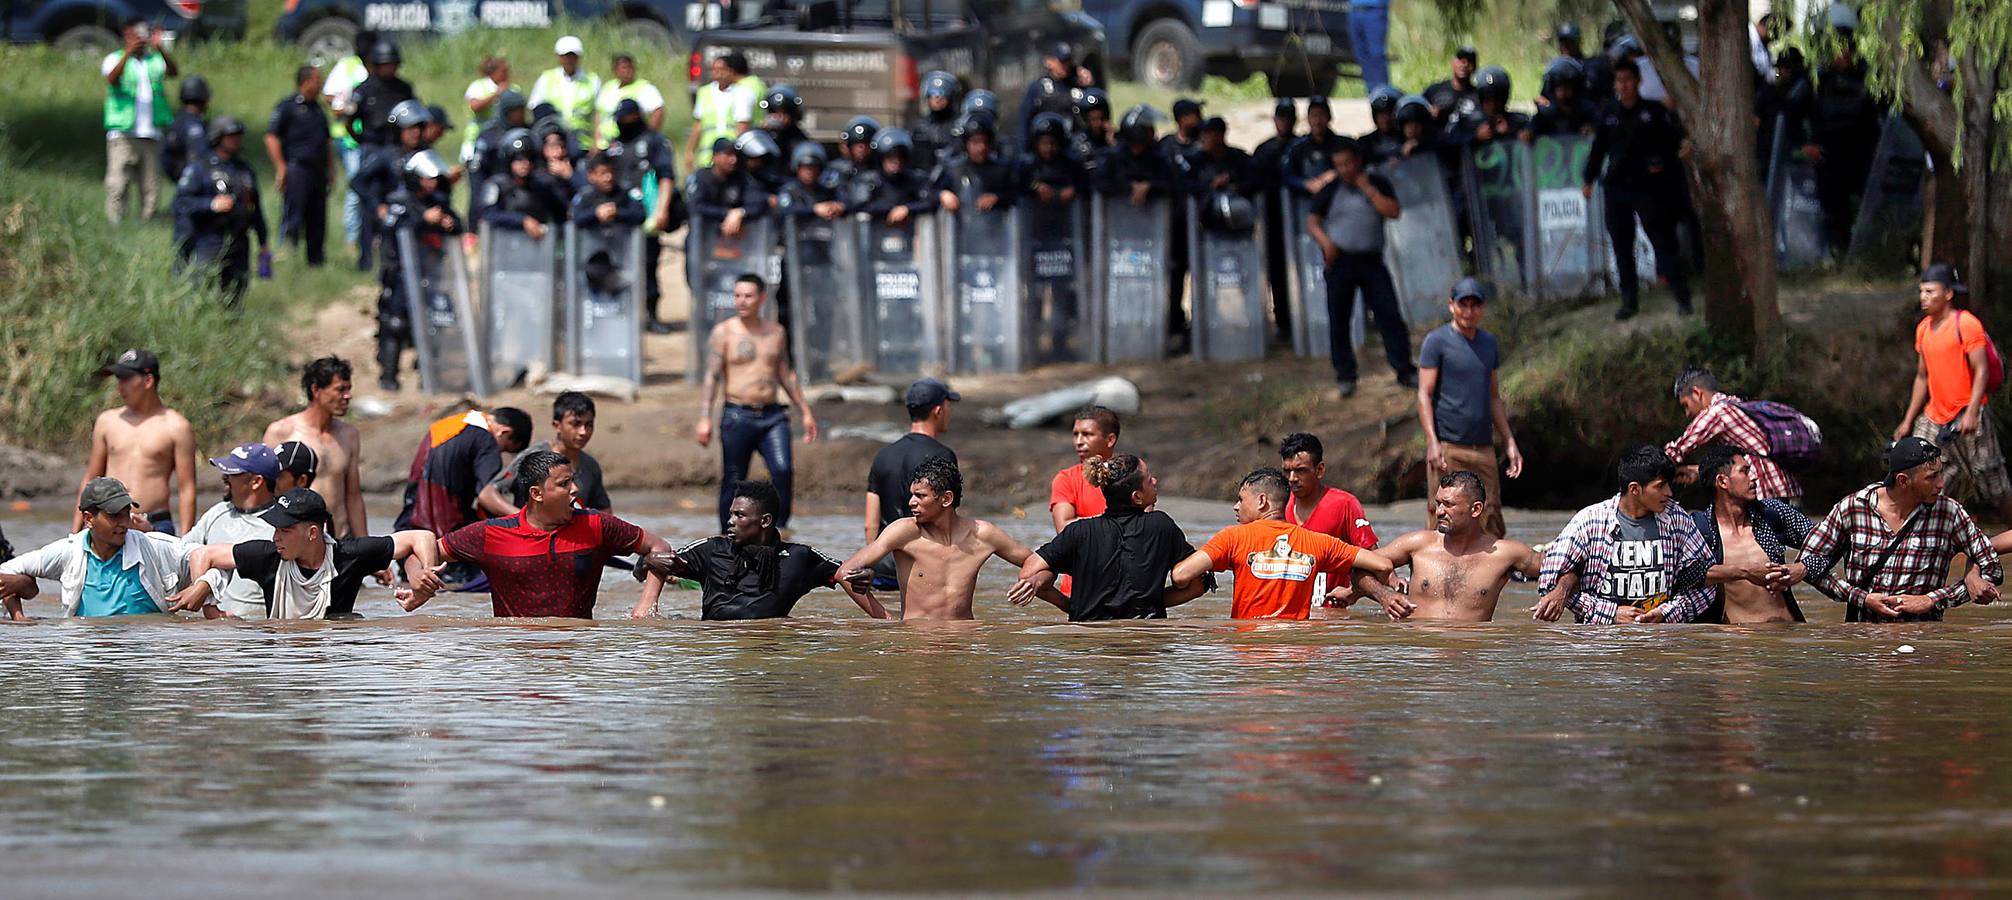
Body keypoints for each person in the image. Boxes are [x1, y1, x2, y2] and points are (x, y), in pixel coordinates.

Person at [435, 450, 671, 618]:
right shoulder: (491, 533)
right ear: (537, 494)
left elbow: (659, 547)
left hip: (577, 654)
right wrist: (417, 577)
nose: (575, 490)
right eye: (564, 484)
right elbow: (425, 551)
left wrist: (646, 606)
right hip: (515, 657)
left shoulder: (596, 525)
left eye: (573, 481)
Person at [1803, 437, 2003, 622]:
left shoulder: (1949, 513)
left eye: (1941, 473)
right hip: (1863, 642)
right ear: (1903, 481)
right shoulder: (1852, 508)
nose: (1941, 484)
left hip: (1923, 642)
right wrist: (1862, 598)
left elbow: (1991, 567)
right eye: (1932, 477)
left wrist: (1932, 600)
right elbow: (1807, 566)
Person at [634, 480, 886, 621]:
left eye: (739, 515)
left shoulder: (798, 558)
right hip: (716, 649)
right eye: (730, 514)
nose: (730, 521)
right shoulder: (711, 549)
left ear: (764, 521)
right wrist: (646, 562)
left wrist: (881, 612)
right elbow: (663, 562)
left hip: (769, 650)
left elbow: (844, 573)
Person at [836, 457, 1055, 620]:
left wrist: (1035, 582)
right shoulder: (904, 531)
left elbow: (1044, 564)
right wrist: (885, 618)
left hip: (963, 640)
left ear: (946, 499)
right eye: (911, 495)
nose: (911, 502)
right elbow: (844, 572)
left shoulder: (983, 534)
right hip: (917, 643)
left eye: (920, 496)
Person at [174, 489, 444, 620]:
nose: (276, 536)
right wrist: (208, 604)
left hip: (337, 660)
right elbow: (203, 554)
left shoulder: (348, 555)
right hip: (281, 659)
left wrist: (424, 582)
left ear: (313, 533)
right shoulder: (267, 556)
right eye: (275, 528)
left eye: (285, 530)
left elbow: (421, 537)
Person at [1169, 468, 1393, 620]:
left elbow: (1181, 575)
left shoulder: (1233, 538)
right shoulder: (1317, 542)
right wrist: (1353, 592)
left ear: (1262, 501)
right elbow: (1383, 565)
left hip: (1249, 653)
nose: (1236, 507)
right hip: (1298, 652)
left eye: (1240, 499)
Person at [1009, 454, 1208, 620]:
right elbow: (1196, 585)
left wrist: (1068, 605)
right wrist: (1152, 600)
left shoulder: (1079, 532)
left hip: (1088, 644)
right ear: (1137, 497)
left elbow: (1028, 573)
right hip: (1145, 644)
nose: (1155, 480)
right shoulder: (1161, 526)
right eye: (1149, 479)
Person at [1535, 444, 1714, 624]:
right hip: (1600, 642)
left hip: (1660, 639)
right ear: (1634, 489)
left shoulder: (1677, 519)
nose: (1669, 493)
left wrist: (1667, 613)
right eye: (1660, 486)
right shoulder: (1590, 521)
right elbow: (1549, 582)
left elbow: (1708, 584)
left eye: (1668, 484)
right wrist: (1610, 614)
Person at [694, 273, 817, 530]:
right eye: (737, 295)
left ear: (761, 298)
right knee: (734, 477)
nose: (742, 301)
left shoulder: (775, 332)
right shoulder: (724, 332)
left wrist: (805, 411)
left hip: (772, 415)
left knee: (783, 471)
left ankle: (779, 530)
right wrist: (704, 417)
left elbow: (785, 373)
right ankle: (727, 532)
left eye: (748, 296)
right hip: (737, 414)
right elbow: (712, 377)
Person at [1894, 264, 2012, 522]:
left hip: (1967, 413)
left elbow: (1981, 370)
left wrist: (1972, 412)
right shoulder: (1923, 329)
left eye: (1930, 291)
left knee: (1992, 481)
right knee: (1919, 469)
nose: (1923, 297)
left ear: (1947, 293)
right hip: (1935, 416)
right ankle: (1924, 539)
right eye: (1921, 291)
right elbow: (1922, 376)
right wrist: (1907, 420)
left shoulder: (1966, 324)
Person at [1583, 57, 1692, 320]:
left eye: (1629, 80)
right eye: (1620, 81)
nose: (1625, 86)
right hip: (1616, 188)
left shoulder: (1653, 112)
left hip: (1648, 189)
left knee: (1662, 243)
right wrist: (1588, 179)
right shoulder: (1609, 113)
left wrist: (1668, 159)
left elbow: (1674, 144)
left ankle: (1683, 298)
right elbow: (1598, 150)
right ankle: (1629, 301)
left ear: (1639, 82)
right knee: (1622, 246)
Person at [1306, 138, 1414, 398]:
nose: (1344, 169)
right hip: (1340, 261)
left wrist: (1368, 189)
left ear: (1358, 161)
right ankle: (1345, 375)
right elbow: (1312, 221)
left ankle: (1404, 369)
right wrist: (1326, 243)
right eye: (1339, 165)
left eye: (1348, 163)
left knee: (1389, 314)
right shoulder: (1330, 189)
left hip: (1371, 260)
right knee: (1339, 320)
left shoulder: (1377, 183)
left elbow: (1394, 212)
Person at [1418, 278, 1523, 535]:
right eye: (1463, 304)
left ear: (1482, 309)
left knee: (1489, 513)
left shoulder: (1488, 343)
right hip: (1449, 447)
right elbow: (1424, 395)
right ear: (1451, 305)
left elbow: (1494, 397)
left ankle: (1488, 573)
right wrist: (1432, 442)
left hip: (1483, 447)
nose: (1469, 311)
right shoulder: (1437, 342)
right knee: (1442, 512)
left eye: (1475, 305)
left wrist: (1509, 441)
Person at [1, 478, 188, 619]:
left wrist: (201, 587)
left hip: (141, 661)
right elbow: (5, 571)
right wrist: (18, 616)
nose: (125, 523)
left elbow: (204, 554)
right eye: (115, 516)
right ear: (89, 519)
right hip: (87, 652)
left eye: (127, 514)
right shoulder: (69, 551)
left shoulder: (152, 546)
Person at [1368, 472, 1541, 621]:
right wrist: (1384, 596)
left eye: (1448, 504)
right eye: (1438, 503)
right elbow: (1357, 563)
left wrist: (1558, 594)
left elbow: (1561, 567)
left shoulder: (1507, 554)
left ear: (1476, 509)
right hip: (1420, 654)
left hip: (1471, 653)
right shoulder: (1417, 544)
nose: (1439, 512)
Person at [1689, 446, 1829, 624]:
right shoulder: (1700, 528)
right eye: (1745, 471)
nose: (1754, 477)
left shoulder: (1772, 513)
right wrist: (1744, 572)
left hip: (1790, 639)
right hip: (1737, 646)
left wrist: (1801, 569)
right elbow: (1682, 575)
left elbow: (1830, 542)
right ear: (1722, 482)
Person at [78, 349, 197, 535]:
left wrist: (187, 542)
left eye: (126, 379)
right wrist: (75, 532)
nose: (120, 386)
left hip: (155, 523)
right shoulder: (107, 421)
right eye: (118, 379)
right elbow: (91, 479)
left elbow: (187, 489)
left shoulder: (177, 426)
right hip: (110, 521)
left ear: (148, 381)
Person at [373, 149, 462, 389]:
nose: (431, 183)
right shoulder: (399, 201)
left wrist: (449, 223)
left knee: (435, 323)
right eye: (427, 178)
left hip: (431, 272)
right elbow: (392, 228)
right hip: (402, 273)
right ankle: (389, 377)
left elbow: (458, 225)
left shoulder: (440, 201)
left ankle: (428, 377)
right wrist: (423, 220)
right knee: (396, 324)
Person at [864, 379, 960, 587]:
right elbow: (946, 518)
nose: (949, 411)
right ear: (938, 410)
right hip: (921, 568)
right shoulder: (943, 456)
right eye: (948, 405)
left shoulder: (883, 455)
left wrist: (871, 563)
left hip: (883, 568)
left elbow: (870, 524)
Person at [1796, 19, 1879, 257]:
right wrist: (1804, 144)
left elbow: (1884, 114)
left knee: (1866, 207)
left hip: (1862, 154)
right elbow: (1789, 111)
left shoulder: (1867, 77)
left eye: (1843, 49)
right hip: (1829, 155)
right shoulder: (1817, 79)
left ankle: (1867, 255)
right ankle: (1838, 254)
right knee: (1834, 211)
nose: (1839, 55)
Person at [262, 357, 367, 538]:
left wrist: (367, 550)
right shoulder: (281, 432)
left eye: (349, 388)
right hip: (299, 540)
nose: (348, 396)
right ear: (316, 389)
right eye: (340, 389)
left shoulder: (349, 435)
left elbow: (354, 496)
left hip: (340, 537)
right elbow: (264, 493)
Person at [1664, 366, 1802, 503]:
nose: (1687, 414)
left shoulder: (1717, 412)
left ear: (1697, 393)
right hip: (1785, 490)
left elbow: (1679, 449)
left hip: (1768, 495)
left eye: (1686, 405)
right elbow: (1736, 461)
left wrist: (1650, 469)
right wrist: (1698, 471)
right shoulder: (1735, 404)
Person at [177, 442, 282, 618]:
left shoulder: (280, 524)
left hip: (254, 631)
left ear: (256, 482)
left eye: (233, 473)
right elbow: (181, 553)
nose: (224, 477)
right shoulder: (217, 512)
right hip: (209, 627)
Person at [170, 116, 267, 305]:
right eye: (231, 136)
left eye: (238, 136)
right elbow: (181, 203)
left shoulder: (245, 169)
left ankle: (233, 329)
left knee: (236, 295)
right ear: (218, 137)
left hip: (240, 241)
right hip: (209, 239)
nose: (236, 140)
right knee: (199, 291)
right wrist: (211, 204)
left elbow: (256, 209)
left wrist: (264, 243)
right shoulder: (200, 168)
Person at [394, 407, 532, 540]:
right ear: (504, 432)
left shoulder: (452, 423)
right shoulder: (486, 441)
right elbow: (487, 495)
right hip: (444, 533)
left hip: (409, 526)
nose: (499, 453)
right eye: (505, 448)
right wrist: (525, 518)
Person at [480, 391, 612, 517]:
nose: (583, 432)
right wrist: (523, 518)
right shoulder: (533, 457)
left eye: (588, 425)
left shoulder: (590, 466)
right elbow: (488, 494)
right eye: (575, 424)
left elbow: (604, 511)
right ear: (557, 426)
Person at [102, 17, 179, 224]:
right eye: (133, 33)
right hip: (123, 132)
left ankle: (146, 221)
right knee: (118, 182)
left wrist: (160, 48)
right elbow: (111, 78)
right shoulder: (114, 58)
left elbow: (173, 72)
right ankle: (115, 222)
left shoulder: (154, 61)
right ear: (125, 34)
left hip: (151, 132)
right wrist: (128, 53)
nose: (138, 37)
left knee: (151, 185)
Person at [266, 65, 331, 268]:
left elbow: (326, 141)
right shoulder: (288, 107)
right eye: (317, 80)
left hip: (318, 171)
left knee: (317, 218)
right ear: (306, 82)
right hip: (297, 169)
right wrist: (281, 167)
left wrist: (331, 169)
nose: (320, 84)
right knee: (294, 214)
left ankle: (316, 261)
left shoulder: (318, 109)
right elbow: (271, 137)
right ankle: (287, 255)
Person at [1276, 432, 1378, 551]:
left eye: (1300, 471)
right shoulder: (1279, 505)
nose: (1292, 478)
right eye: (1287, 471)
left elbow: (1374, 556)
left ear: (1319, 470)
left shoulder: (1345, 504)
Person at [322, 31, 373, 249]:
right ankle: (352, 239)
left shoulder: (377, 66)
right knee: (356, 187)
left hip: (371, 138)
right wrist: (345, 106)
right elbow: (329, 96)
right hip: (349, 139)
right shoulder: (347, 66)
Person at [850, 129, 937, 223]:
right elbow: (860, 205)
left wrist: (907, 208)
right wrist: (891, 209)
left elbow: (930, 202)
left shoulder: (914, 179)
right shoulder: (868, 179)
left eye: (900, 157)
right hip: (875, 233)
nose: (896, 162)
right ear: (881, 158)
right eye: (890, 157)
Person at [688, 52, 755, 170]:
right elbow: (698, 125)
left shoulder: (742, 93)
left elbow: (742, 126)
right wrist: (690, 150)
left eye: (722, 69)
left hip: (729, 154)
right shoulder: (704, 92)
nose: (718, 73)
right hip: (707, 156)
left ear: (731, 71)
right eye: (714, 69)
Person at [937, 114, 1018, 213]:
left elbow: (1016, 195)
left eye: (985, 142)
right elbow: (928, 192)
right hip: (962, 224)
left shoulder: (1002, 170)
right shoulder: (954, 169)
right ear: (965, 144)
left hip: (995, 225)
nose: (981, 148)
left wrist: (997, 198)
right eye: (975, 142)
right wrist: (943, 194)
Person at [528, 36, 601, 144]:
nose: (569, 60)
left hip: (583, 142)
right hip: (553, 142)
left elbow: (599, 114)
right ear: (558, 57)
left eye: (572, 56)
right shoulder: (546, 78)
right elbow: (535, 107)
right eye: (565, 56)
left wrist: (597, 142)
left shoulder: (592, 80)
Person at [1020, 43, 1084, 151]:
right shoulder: (1038, 88)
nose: (1065, 66)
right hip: (1045, 147)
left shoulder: (1078, 87)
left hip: (1072, 146)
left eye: (1067, 62)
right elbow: (1024, 122)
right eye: (1061, 62)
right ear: (1049, 62)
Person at [591, 52, 663, 148]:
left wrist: (648, 137)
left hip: (629, 143)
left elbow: (658, 111)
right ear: (615, 70)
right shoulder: (608, 87)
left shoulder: (643, 87)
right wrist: (596, 142)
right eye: (623, 68)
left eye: (629, 67)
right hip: (605, 144)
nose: (627, 71)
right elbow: (599, 115)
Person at [1525, 58, 1598, 139]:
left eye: (1567, 87)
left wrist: (1592, 130)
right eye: (1559, 88)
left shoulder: (1588, 112)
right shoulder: (1545, 114)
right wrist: (1528, 134)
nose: (1563, 93)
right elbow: (1529, 131)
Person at [160, 74, 210, 192]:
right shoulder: (195, 126)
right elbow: (200, 155)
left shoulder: (176, 121)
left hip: (181, 180)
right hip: (196, 182)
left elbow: (165, 156)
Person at [1424, 46, 1479, 131]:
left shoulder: (1478, 95)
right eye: (1461, 60)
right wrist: (1430, 115)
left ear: (1475, 67)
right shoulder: (1435, 90)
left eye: (1469, 61)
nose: (1464, 65)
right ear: (1453, 62)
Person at [915, 71, 962, 168]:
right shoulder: (920, 127)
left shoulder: (960, 125)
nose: (937, 100)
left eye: (942, 96)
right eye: (933, 96)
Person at [1348, 0, 1390, 92]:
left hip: (1374, 11)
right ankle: (1371, 91)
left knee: (1376, 54)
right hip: (1354, 11)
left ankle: (1383, 92)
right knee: (1361, 54)